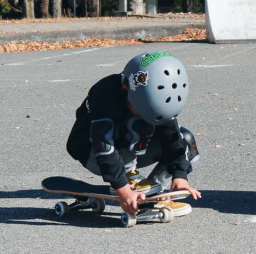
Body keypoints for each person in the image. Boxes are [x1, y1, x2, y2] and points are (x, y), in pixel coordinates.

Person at [66, 51, 202, 216]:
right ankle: (128, 178)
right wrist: (122, 188)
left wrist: (180, 175)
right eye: (141, 108)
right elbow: (103, 145)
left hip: (131, 150)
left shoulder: (156, 98)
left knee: (185, 140)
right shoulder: (105, 92)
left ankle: (153, 195)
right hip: (91, 151)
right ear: (126, 87)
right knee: (136, 124)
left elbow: (172, 138)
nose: (144, 114)